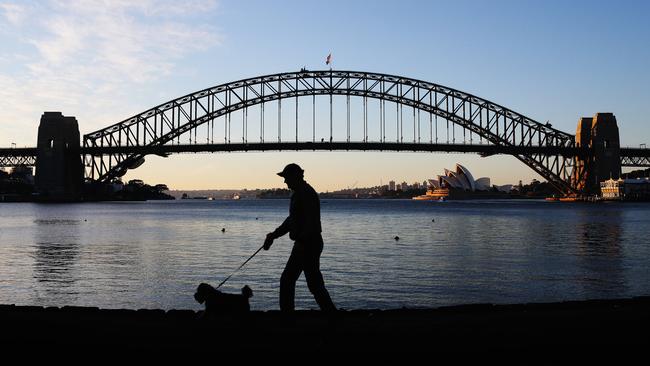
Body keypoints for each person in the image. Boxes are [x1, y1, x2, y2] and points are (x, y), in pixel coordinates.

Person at [263, 163, 337, 312]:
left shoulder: (305, 194)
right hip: (307, 243)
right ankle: (331, 313)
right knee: (312, 283)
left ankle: (289, 316)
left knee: (290, 280)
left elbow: (309, 221)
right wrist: (274, 235)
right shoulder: (301, 193)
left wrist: (301, 240)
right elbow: (292, 220)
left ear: (294, 177)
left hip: (307, 244)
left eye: (286, 178)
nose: (285, 182)